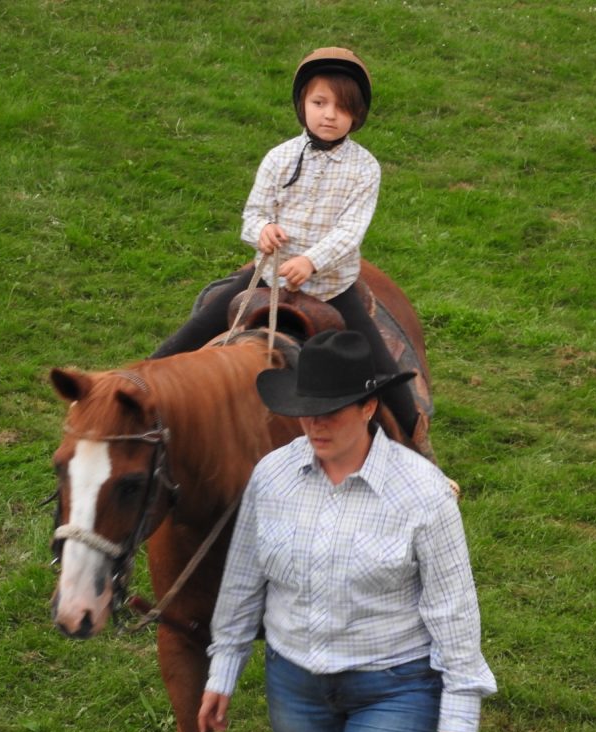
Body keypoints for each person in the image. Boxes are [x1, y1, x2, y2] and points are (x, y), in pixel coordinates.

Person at [197, 330, 496, 732]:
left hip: (396, 686)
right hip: (294, 685)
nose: (315, 425)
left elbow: (452, 604)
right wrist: (223, 670)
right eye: (306, 411)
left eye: (331, 412)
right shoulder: (272, 476)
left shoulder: (423, 492)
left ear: (368, 408)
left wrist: (461, 702)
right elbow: (244, 579)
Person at [153, 47, 421, 445]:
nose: (329, 114)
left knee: (381, 365)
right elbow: (254, 212)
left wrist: (311, 262)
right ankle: (132, 394)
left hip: (331, 285)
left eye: (342, 107)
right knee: (196, 328)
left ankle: (419, 445)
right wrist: (261, 231)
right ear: (302, 104)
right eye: (319, 102)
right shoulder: (279, 158)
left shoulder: (365, 168)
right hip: (268, 275)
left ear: (357, 115)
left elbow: (351, 231)